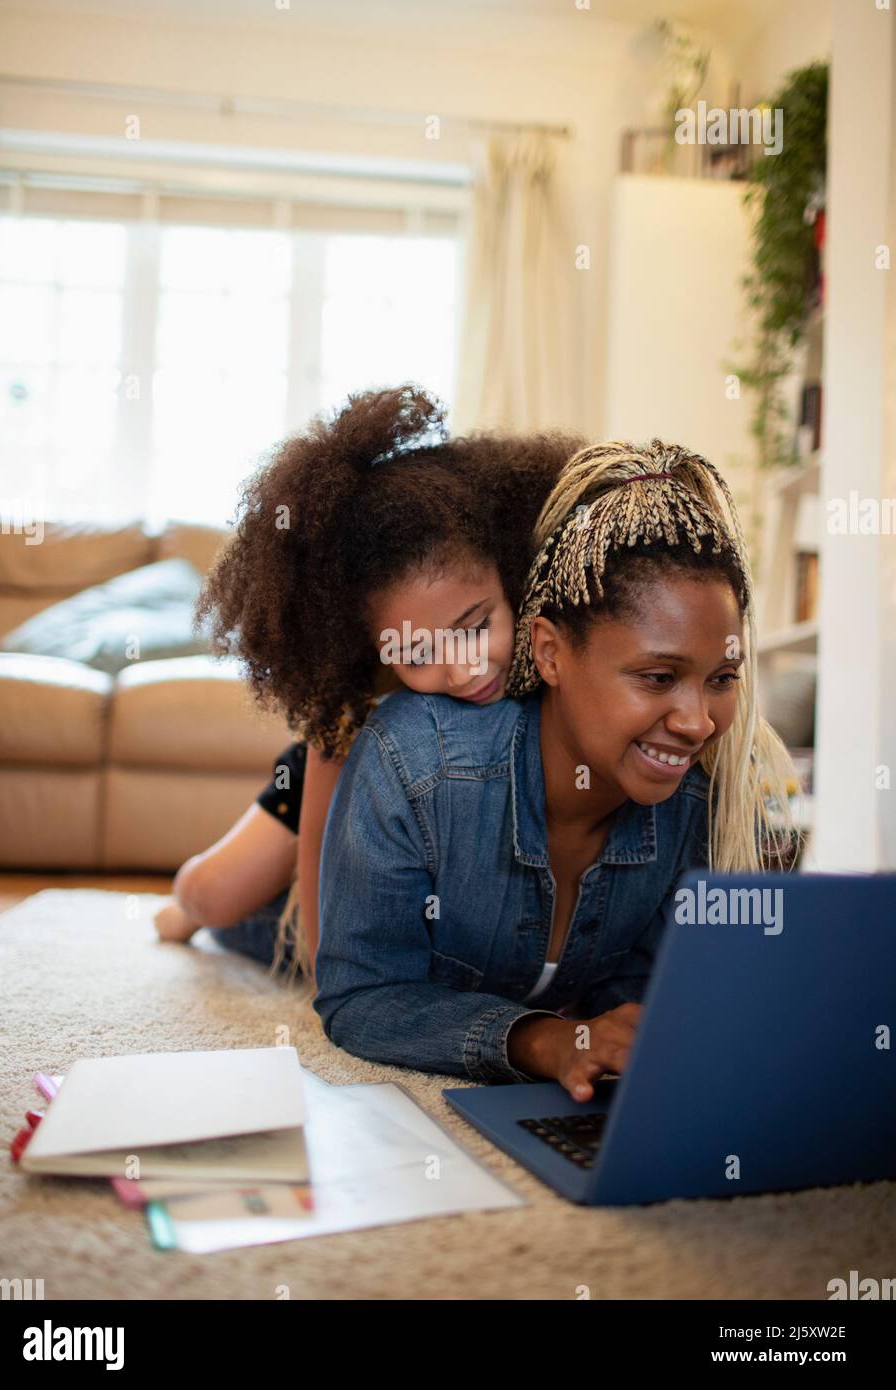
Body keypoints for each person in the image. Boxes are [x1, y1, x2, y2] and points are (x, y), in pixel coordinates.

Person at [312, 439, 799, 1100]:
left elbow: (632, 999)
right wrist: (540, 1039)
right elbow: (363, 996)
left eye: (719, 679)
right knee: (239, 908)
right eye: (658, 677)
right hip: (318, 865)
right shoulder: (412, 761)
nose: (697, 721)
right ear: (547, 652)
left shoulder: (693, 806)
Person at [154, 384, 581, 976]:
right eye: (418, 652)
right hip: (319, 801)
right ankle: (193, 909)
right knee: (215, 895)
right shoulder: (353, 712)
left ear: (511, 576)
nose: (463, 669)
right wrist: (329, 973)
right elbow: (321, 868)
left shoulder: (549, 654)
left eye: (475, 626)